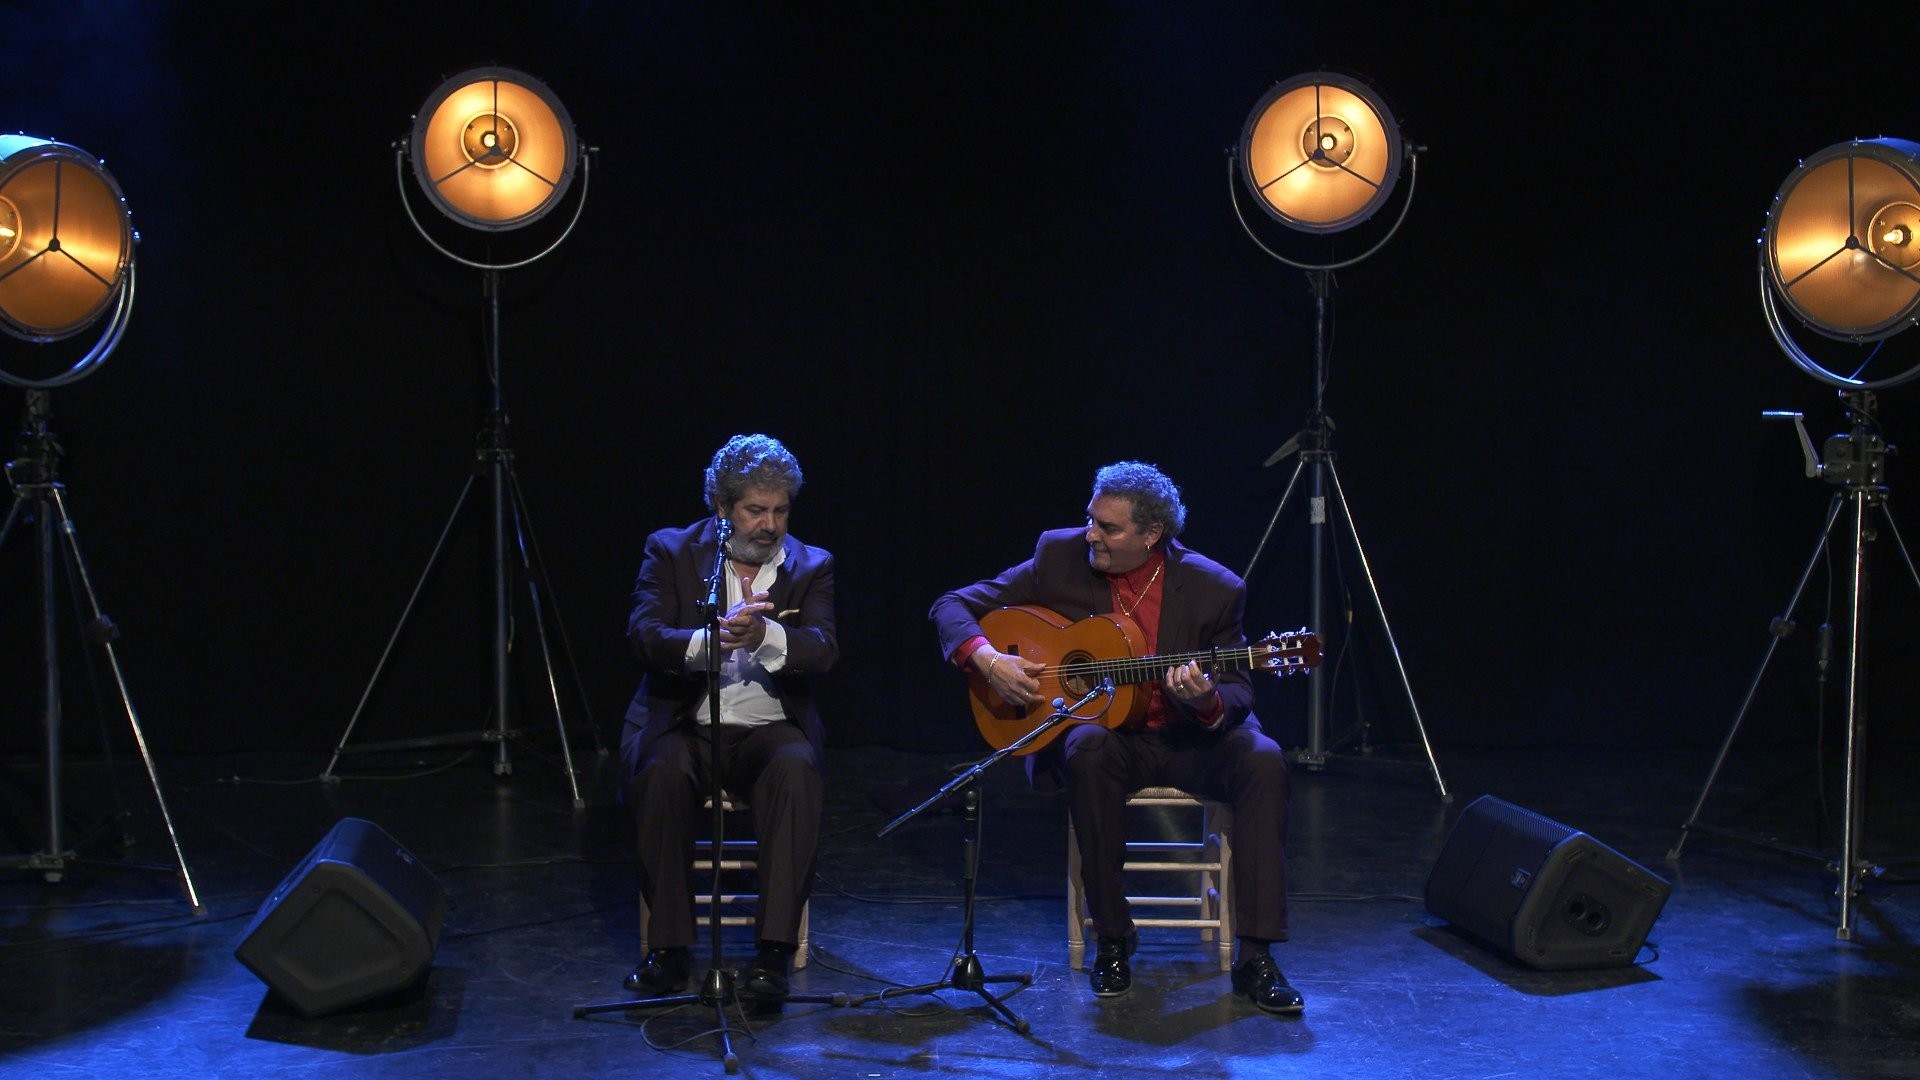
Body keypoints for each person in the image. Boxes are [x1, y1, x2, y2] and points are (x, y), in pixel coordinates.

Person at [930, 461, 1303, 1014]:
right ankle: (1112, 935)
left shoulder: (1214, 587)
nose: (1091, 535)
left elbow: (1239, 687)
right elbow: (952, 605)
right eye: (1091, 520)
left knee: (1265, 759)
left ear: (1152, 535)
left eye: (1109, 528)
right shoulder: (1058, 557)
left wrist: (1206, 701)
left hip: (1190, 740)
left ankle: (1255, 955)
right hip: (1113, 742)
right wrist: (986, 660)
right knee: (1085, 746)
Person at [619, 433, 837, 1004]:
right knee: (659, 774)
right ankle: (668, 951)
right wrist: (706, 643)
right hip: (684, 725)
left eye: (781, 511)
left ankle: (772, 956)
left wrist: (767, 636)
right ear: (722, 507)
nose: (769, 525)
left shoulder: (812, 565)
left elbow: (822, 649)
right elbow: (644, 638)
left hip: (769, 729)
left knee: (796, 771)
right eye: (755, 510)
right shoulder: (670, 551)